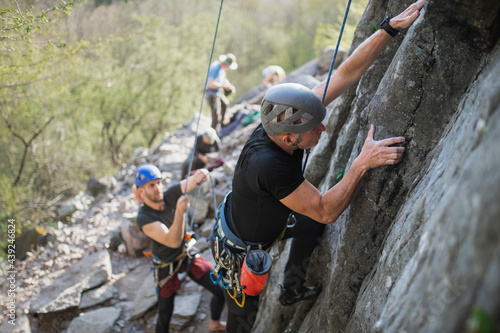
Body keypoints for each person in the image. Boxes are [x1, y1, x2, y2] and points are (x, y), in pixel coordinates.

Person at [209, 1, 425, 332]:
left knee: (308, 224)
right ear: (289, 138)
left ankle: (291, 289)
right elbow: (325, 209)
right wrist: (361, 163)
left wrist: (388, 27)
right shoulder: (270, 165)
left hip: (251, 217)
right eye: (315, 128)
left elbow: (346, 73)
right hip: (244, 252)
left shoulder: (284, 115)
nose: (323, 129)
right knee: (242, 316)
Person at [134, 164, 226, 333]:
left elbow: (190, 182)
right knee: (165, 312)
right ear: (141, 191)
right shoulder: (144, 218)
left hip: (186, 254)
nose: (157, 188)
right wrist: (180, 213)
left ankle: (214, 323)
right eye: (151, 185)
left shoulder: (169, 195)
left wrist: (200, 175)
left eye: (159, 183)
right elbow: (172, 241)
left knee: (220, 289)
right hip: (165, 264)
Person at [206, 53, 237, 131]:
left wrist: (229, 86)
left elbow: (224, 79)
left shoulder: (222, 68)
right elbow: (211, 84)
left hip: (218, 92)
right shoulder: (216, 68)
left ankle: (222, 124)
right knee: (215, 115)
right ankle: (213, 131)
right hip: (212, 94)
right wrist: (223, 86)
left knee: (225, 104)